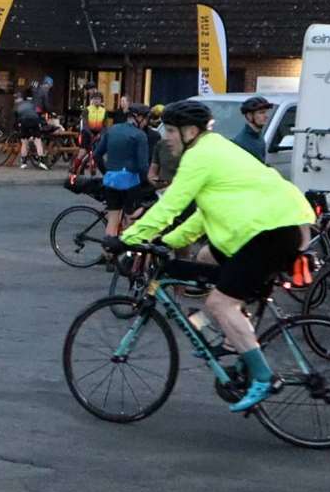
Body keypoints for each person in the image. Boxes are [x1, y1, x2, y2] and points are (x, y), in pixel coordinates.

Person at [119, 100, 313, 412]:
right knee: (207, 260)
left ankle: (264, 377)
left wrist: (126, 239)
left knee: (220, 303)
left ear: (190, 131)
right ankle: (229, 338)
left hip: (271, 230)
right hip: (272, 226)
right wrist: (167, 240)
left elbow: (172, 206)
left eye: (169, 130)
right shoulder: (214, 149)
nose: (165, 136)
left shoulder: (200, 156)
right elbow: (200, 215)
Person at [93, 104, 152, 237]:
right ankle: (127, 252)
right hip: (130, 182)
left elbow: (96, 155)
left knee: (112, 221)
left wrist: (106, 172)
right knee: (130, 218)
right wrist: (148, 183)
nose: (146, 123)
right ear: (139, 118)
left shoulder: (112, 130)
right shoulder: (140, 135)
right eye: (146, 119)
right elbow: (143, 166)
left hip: (111, 181)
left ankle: (108, 253)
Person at [231, 95, 272, 161]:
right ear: (249, 116)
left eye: (266, 112)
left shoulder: (258, 136)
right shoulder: (241, 142)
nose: (266, 116)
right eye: (261, 113)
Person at [15, 91, 49, 169]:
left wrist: (18, 126)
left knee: (24, 143)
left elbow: (17, 118)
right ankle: (41, 161)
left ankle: (24, 163)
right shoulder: (34, 104)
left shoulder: (19, 106)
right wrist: (43, 122)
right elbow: (39, 113)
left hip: (24, 122)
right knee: (38, 141)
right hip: (34, 121)